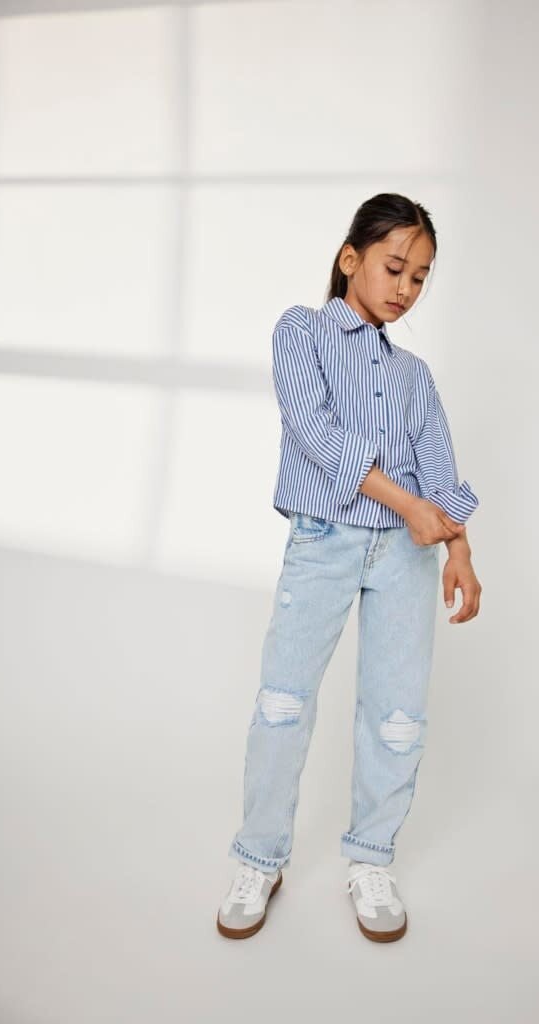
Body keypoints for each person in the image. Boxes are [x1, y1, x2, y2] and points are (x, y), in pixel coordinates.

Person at [216, 193, 482, 943]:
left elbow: (439, 467)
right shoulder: (300, 332)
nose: (406, 288)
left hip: (405, 555)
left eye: (420, 277)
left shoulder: (416, 376)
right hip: (324, 540)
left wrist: (460, 550)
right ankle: (259, 858)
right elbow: (314, 431)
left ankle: (371, 857)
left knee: (396, 716)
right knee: (283, 703)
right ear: (350, 258)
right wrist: (408, 504)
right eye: (394, 268)